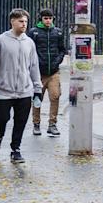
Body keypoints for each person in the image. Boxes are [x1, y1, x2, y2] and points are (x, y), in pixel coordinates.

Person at [0, 8, 42, 163]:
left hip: (24, 91)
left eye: (25, 22)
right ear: (12, 21)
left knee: (21, 121)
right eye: (21, 21)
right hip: (3, 91)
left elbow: (34, 66)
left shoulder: (29, 42)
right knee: (2, 117)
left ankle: (15, 149)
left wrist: (38, 88)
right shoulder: (1, 40)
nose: (24, 25)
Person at [28, 7, 66, 137]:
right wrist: (35, 64)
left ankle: (52, 124)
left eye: (50, 18)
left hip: (54, 71)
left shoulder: (58, 33)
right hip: (38, 73)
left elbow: (62, 49)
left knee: (55, 96)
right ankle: (36, 124)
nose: (48, 21)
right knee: (37, 98)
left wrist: (58, 61)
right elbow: (29, 50)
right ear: (41, 19)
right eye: (45, 18)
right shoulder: (34, 32)